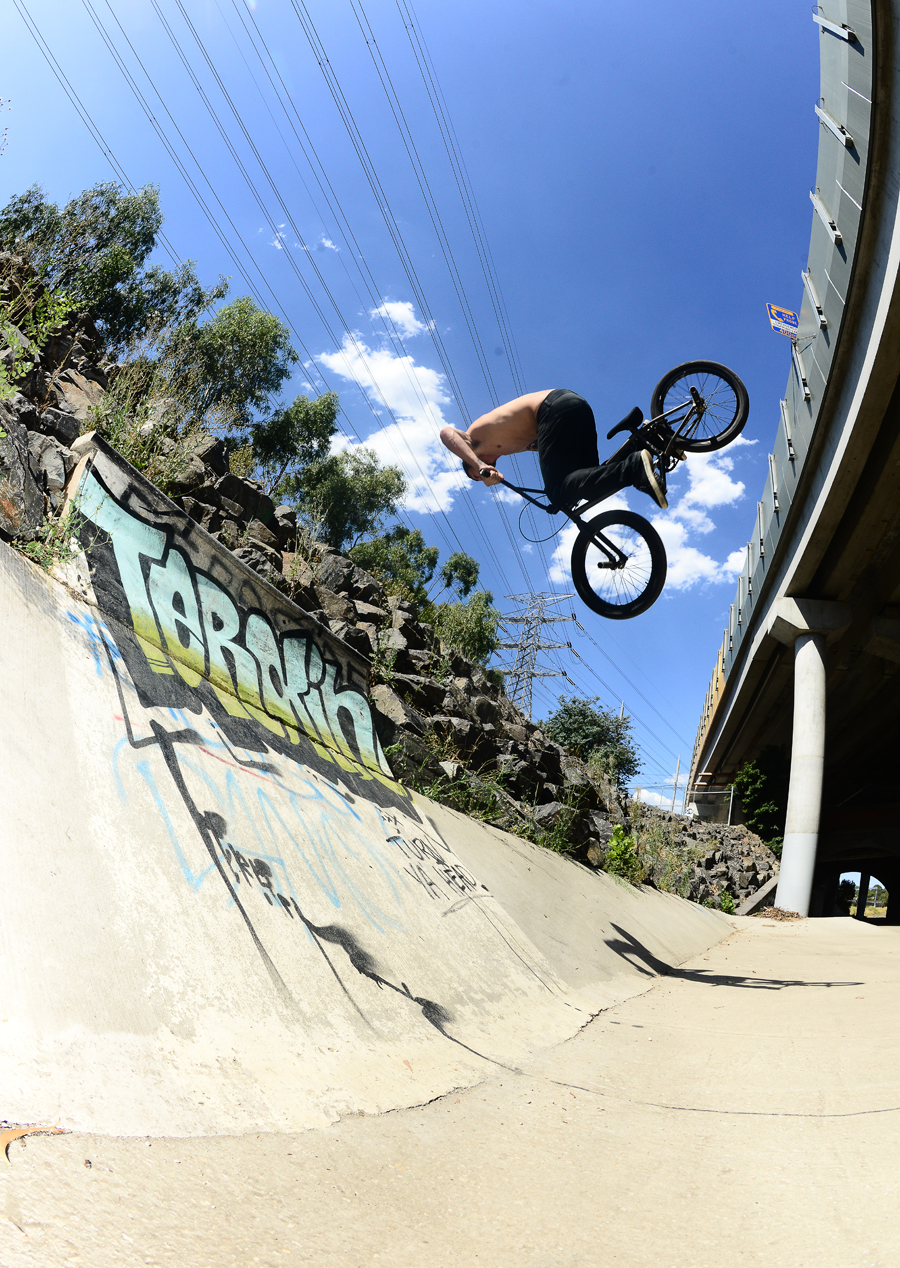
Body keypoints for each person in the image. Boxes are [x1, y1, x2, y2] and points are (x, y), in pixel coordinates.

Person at [439, 388, 668, 510]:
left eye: (476, 475)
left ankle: (634, 467)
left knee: (557, 491)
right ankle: (645, 441)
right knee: (588, 482)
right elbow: (554, 448)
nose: (482, 477)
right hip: (574, 407)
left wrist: (479, 465)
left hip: (552, 408)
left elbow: (446, 433)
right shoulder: (510, 445)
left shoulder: (473, 439)